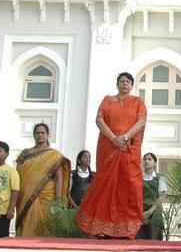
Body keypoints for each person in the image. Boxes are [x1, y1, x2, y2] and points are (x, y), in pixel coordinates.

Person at [75, 72, 147, 238]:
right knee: (105, 185)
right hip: (109, 149)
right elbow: (99, 120)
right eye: (122, 81)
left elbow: (141, 122)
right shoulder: (107, 100)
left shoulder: (137, 102)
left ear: (132, 85)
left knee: (128, 187)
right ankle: (101, 228)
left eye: (128, 82)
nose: (124, 84)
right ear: (117, 84)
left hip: (128, 150)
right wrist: (114, 139)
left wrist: (125, 137)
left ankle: (126, 229)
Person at [15, 122, 71, 237]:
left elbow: (59, 178)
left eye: (42, 133)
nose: (40, 135)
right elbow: (18, 174)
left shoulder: (54, 155)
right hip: (26, 196)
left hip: (46, 196)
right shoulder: (25, 154)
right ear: (34, 135)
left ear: (47, 135)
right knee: (26, 225)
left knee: (45, 226)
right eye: (37, 133)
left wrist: (58, 200)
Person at [136, 153, 167, 240]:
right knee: (139, 239)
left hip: (155, 211)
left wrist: (149, 212)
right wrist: (141, 214)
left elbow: (162, 196)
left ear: (155, 163)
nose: (146, 161)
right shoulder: (138, 178)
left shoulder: (160, 178)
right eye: (144, 159)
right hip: (140, 211)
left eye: (149, 159)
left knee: (154, 237)